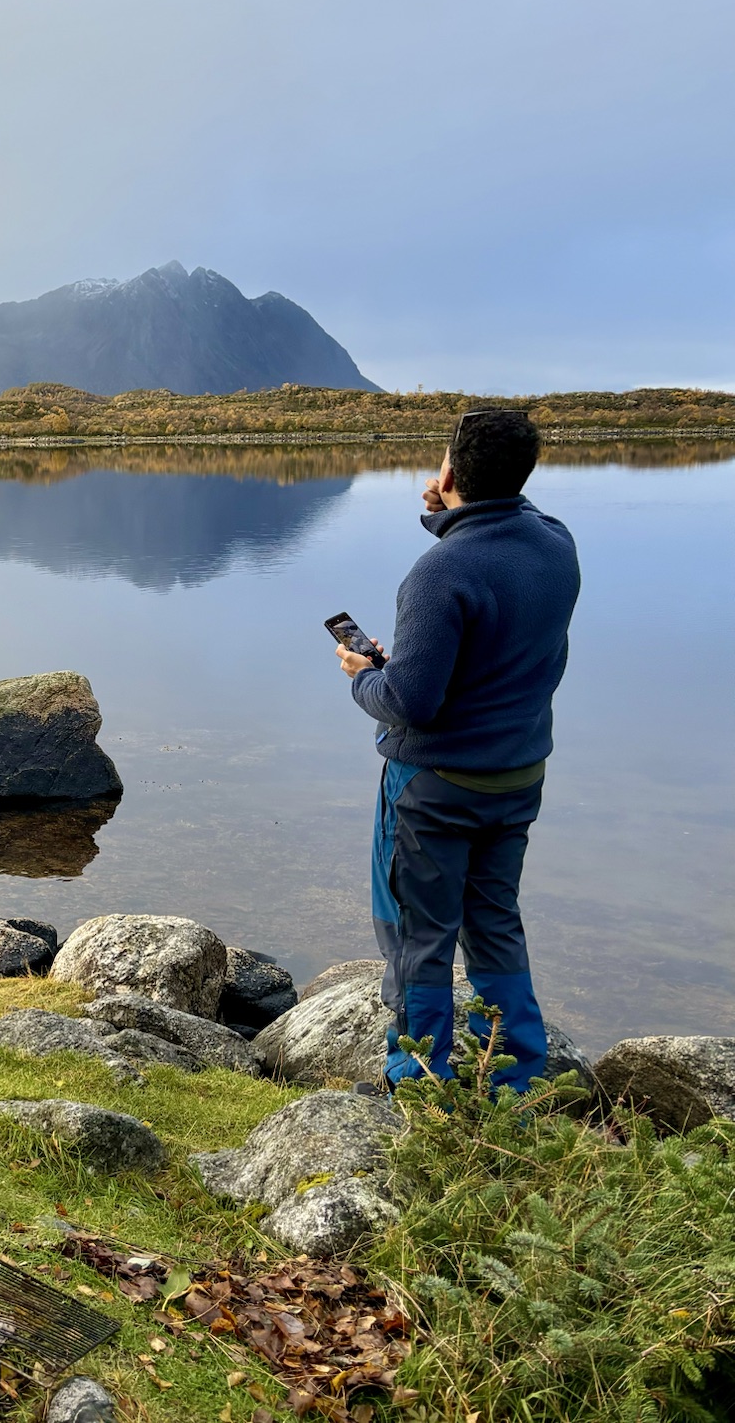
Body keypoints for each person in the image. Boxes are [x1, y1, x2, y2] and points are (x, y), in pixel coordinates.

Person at [334, 408, 579, 1090]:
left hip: (432, 790)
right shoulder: (558, 546)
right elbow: (501, 548)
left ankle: (418, 1088)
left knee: (418, 937)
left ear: (447, 471)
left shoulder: (438, 574)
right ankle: (513, 1084)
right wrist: (454, 511)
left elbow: (410, 702)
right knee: (495, 925)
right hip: (518, 780)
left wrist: (365, 677)